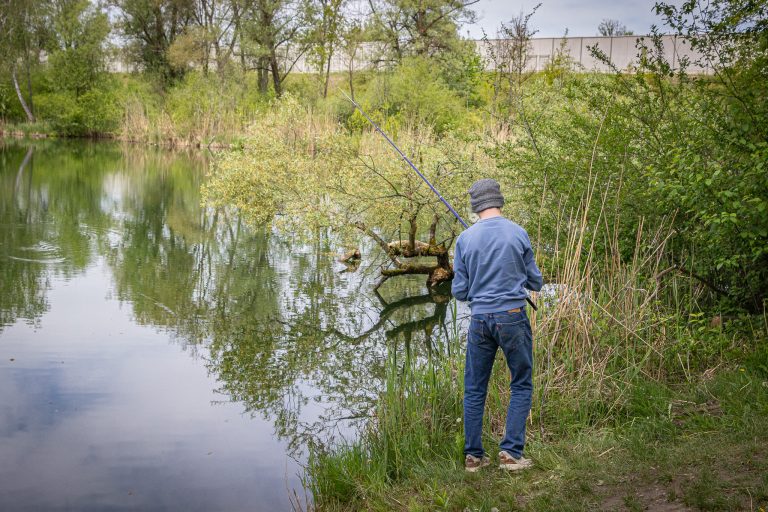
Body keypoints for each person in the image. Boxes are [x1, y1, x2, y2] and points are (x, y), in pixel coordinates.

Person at [451, 178, 544, 472]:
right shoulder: (518, 232)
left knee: (474, 388)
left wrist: (480, 283)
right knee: (521, 382)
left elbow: (459, 291)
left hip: (480, 320)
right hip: (513, 315)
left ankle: (473, 457)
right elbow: (536, 282)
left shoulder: (465, 239)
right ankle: (511, 453)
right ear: (499, 200)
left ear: (475, 205)